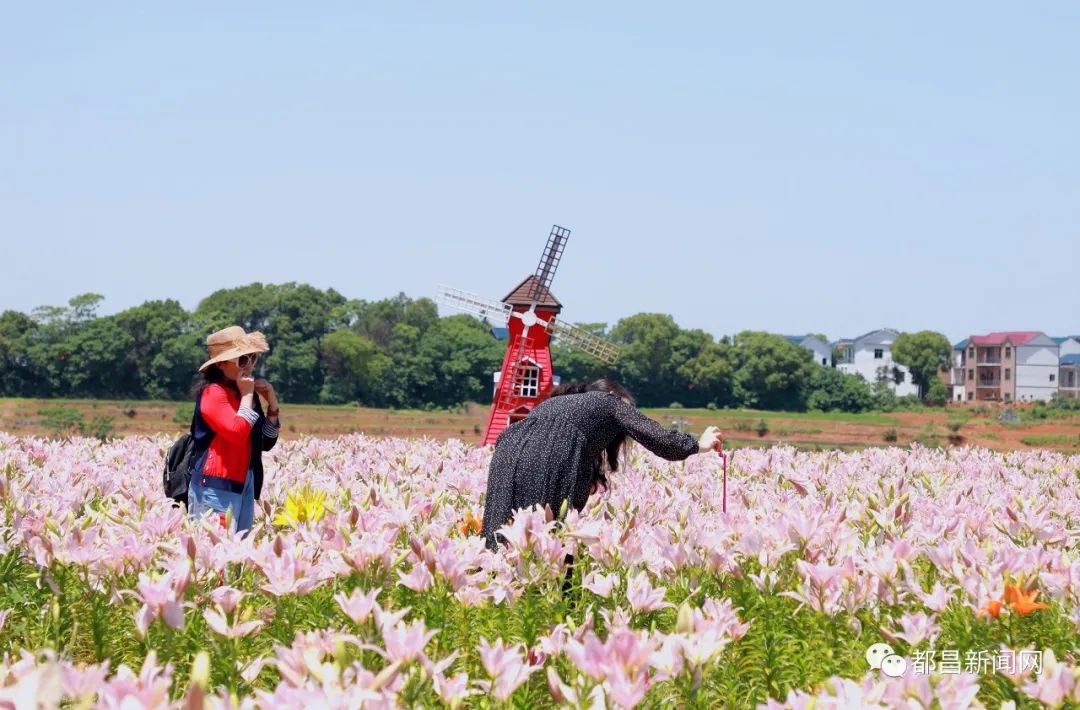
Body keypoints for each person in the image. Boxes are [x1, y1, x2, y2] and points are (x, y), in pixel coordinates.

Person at [479, 378, 723, 551]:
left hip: (506, 450)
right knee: (548, 543)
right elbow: (659, 439)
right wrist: (698, 445)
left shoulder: (558, 405)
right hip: (549, 457)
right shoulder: (610, 403)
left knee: (503, 539)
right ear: (614, 395)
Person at [187, 326, 281, 534]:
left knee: (238, 554)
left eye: (252, 358)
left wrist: (272, 405)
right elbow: (237, 434)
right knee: (216, 555)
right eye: (242, 360)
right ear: (220, 364)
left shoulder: (245, 394)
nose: (248, 366)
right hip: (215, 485)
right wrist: (247, 397)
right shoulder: (213, 393)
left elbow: (266, 442)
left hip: (245, 481)